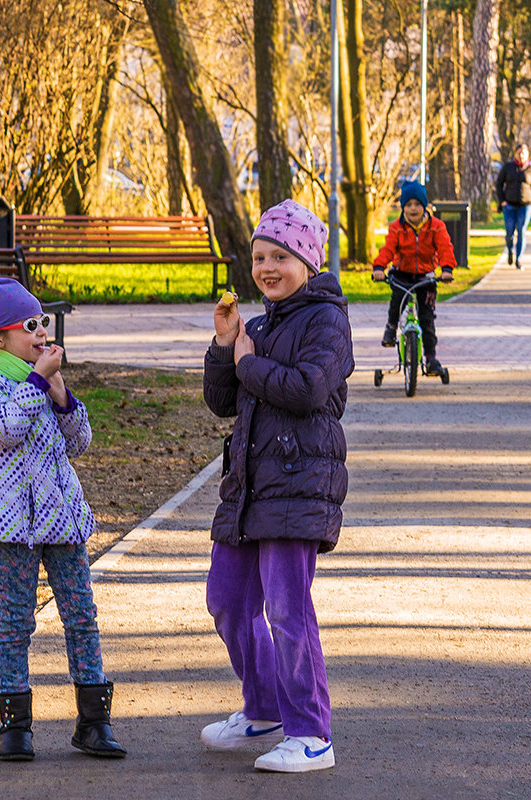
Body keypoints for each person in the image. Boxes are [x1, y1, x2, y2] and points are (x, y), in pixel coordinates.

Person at [201, 199, 353, 773]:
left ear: (307, 262)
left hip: (298, 486)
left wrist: (247, 365)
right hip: (247, 488)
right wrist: (225, 347)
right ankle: (262, 709)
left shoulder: (327, 322)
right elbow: (221, 403)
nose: (267, 267)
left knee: (288, 611)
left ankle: (312, 734)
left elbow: (311, 389)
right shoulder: (258, 327)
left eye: (281, 256)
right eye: (260, 256)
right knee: (227, 601)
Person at [0, 275, 127, 762]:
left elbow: (79, 442)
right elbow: (5, 429)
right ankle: (15, 726)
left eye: (44, 323)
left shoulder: (39, 377)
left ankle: (94, 720)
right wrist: (36, 382)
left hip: (60, 519)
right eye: (30, 325)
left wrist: (59, 392)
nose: (41, 334)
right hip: (8, 524)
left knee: (81, 616)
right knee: (15, 620)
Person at [371, 179, 456, 377]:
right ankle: (391, 328)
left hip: (426, 276)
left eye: (417, 204)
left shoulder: (436, 226)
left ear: (425, 205)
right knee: (397, 302)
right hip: (402, 274)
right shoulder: (396, 228)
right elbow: (388, 249)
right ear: (403, 208)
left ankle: (431, 358)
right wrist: (379, 267)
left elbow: (445, 247)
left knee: (427, 318)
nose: (413, 209)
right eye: (408, 205)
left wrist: (446, 269)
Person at [495, 142, 531, 268]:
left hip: (525, 206)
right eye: (519, 153)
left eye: (524, 153)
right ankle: (510, 251)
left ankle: (518, 258)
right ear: (515, 153)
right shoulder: (508, 167)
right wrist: (502, 200)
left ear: (528, 154)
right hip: (509, 206)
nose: (521, 156)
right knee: (509, 232)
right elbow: (499, 184)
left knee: (521, 231)